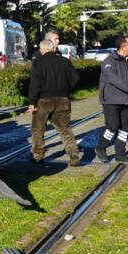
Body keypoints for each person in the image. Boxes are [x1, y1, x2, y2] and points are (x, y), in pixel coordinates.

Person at [28, 38, 80, 166]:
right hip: (63, 99)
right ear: (52, 48)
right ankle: (73, 155)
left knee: (38, 129)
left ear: (42, 50)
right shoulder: (65, 61)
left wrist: (32, 102)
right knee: (65, 129)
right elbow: (76, 79)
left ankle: (38, 156)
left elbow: (34, 84)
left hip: (43, 101)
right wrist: (67, 91)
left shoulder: (38, 63)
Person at [96, 34, 128, 165]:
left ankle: (120, 154)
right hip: (111, 99)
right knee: (112, 126)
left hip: (127, 99)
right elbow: (113, 79)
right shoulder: (109, 61)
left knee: (124, 128)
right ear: (123, 47)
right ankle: (101, 148)